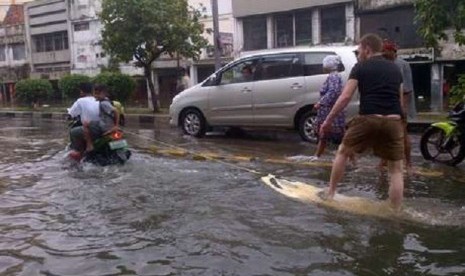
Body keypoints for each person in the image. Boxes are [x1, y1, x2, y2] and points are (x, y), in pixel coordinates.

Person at [320, 33, 405, 210]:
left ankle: (330, 193)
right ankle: (396, 210)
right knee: (396, 169)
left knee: (342, 152)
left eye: (359, 51)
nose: (358, 55)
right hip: (394, 120)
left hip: (369, 118)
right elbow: (400, 100)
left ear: (367, 49)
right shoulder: (396, 69)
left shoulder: (360, 67)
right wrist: (401, 125)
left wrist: (328, 121)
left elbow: (345, 97)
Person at [381, 40, 413, 174]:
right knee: (383, 135)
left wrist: (403, 108)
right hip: (385, 104)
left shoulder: (402, 65)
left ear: (392, 51)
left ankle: (408, 163)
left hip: (399, 105)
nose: (383, 53)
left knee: (403, 135)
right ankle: (382, 162)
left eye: (385, 50)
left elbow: (407, 89)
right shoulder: (383, 65)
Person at [310, 55, 345, 161]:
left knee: (336, 134)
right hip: (330, 109)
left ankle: (348, 157)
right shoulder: (334, 76)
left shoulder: (333, 77)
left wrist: (321, 103)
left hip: (330, 110)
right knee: (324, 134)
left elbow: (333, 91)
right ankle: (317, 156)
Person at [83, 84, 120, 153]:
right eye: (95, 93)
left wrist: (116, 126)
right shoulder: (107, 101)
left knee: (85, 124)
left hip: (104, 127)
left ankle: (89, 145)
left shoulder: (103, 103)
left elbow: (116, 111)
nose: (96, 95)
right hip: (109, 126)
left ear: (105, 94)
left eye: (98, 94)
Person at [67, 82, 100, 158]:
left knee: (73, 132)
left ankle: (78, 152)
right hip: (104, 127)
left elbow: (71, 114)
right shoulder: (99, 99)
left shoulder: (80, 101)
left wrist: (68, 117)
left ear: (81, 91)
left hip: (92, 128)